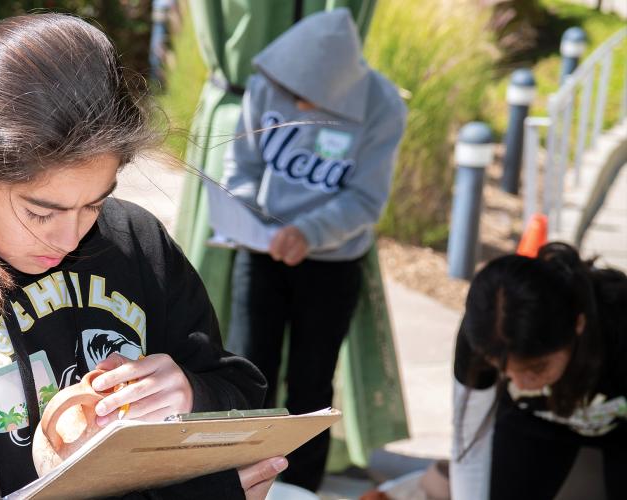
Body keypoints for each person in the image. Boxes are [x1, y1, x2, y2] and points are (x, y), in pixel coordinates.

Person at [0, 13, 285, 499]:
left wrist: (190, 392)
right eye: (40, 212)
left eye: (94, 202)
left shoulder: (133, 240)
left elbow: (239, 392)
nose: (71, 237)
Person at [219, 8, 407, 491]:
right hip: (260, 254)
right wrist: (246, 218)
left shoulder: (382, 105)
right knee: (246, 368)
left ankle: (300, 487)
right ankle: (238, 480)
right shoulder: (265, 85)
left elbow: (366, 199)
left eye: (311, 98)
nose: (300, 106)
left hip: (332, 263)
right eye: (294, 93)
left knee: (312, 382)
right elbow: (240, 167)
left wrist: (310, 233)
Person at [450, 242, 626, 499]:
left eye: (536, 368)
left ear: (578, 324)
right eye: (506, 372)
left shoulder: (619, 326)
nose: (521, 383)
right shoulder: (483, 339)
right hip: (533, 423)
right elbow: (470, 443)